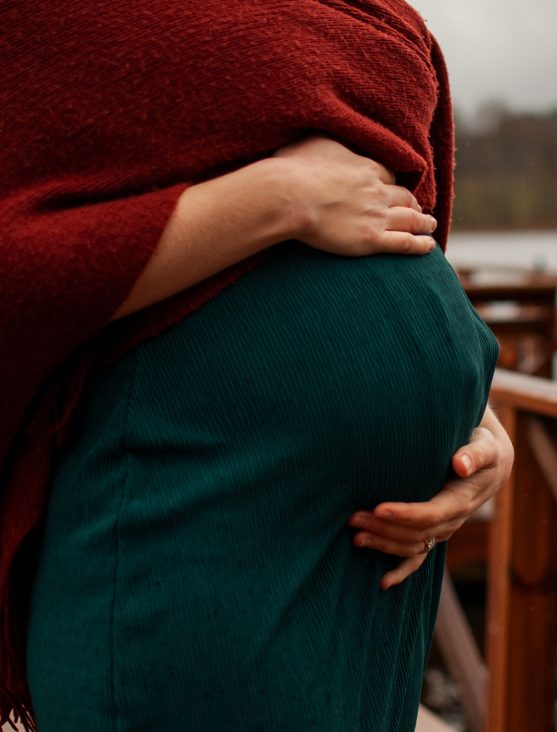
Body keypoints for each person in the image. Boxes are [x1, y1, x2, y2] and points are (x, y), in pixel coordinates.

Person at [0, 1, 511, 730]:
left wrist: (476, 426)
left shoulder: (369, 12)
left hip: (374, 570)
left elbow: (394, 224)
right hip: (185, 529)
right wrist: (280, 199)